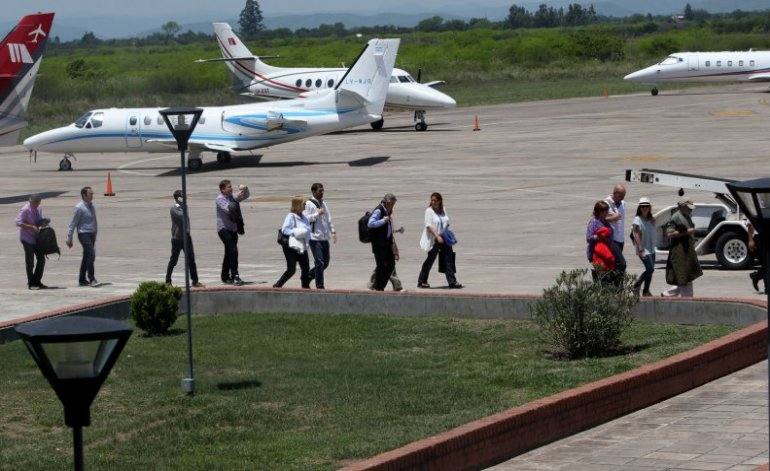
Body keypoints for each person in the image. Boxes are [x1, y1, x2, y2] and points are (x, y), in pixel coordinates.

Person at [418, 192, 462, 289]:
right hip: (434, 239)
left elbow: (446, 221)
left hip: (444, 237)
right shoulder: (429, 211)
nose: (433, 202)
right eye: (432, 200)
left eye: (435, 200)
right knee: (430, 259)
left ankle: (452, 282)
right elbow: (428, 226)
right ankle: (422, 281)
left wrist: (446, 233)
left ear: (439, 201)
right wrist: (437, 236)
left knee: (449, 258)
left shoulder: (443, 209)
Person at [662, 199, 703, 297]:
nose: (691, 210)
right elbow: (669, 233)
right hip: (679, 252)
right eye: (689, 208)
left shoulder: (686, 215)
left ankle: (667, 294)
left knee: (686, 276)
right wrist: (687, 232)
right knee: (684, 276)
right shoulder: (676, 217)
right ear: (683, 206)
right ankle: (687, 301)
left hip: (687, 251)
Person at [166, 190, 203, 288]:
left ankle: (195, 281)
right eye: (183, 196)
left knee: (191, 259)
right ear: (178, 198)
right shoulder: (174, 209)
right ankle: (167, 281)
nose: (185, 198)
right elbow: (181, 216)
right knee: (174, 260)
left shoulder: (184, 207)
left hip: (186, 237)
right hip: (177, 238)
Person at [216, 180, 249, 285]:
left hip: (233, 229)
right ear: (222, 189)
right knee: (233, 251)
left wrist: (245, 189)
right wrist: (236, 199)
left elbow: (245, 196)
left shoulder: (231, 197)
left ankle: (225, 276)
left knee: (229, 252)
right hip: (223, 229)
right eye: (228, 187)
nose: (231, 188)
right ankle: (235, 275)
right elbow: (229, 209)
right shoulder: (220, 199)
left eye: (231, 187)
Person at [274, 197, 311, 288]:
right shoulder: (291, 216)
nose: (305, 205)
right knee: (291, 270)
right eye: (303, 204)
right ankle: (278, 285)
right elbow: (285, 230)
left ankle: (305, 287)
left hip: (301, 246)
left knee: (306, 267)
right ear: (297, 205)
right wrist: (297, 232)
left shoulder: (304, 217)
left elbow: (307, 230)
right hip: (291, 247)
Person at [304, 183, 336, 289]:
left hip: (324, 238)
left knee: (325, 263)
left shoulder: (324, 204)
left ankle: (308, 276)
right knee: (320, 262)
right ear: (313, 191)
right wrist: (317, 214)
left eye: (323, 191)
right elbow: (305, 219)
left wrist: (333, 231)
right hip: (314, 238)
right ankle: (320, 285)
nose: (322, 193)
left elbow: (328, 218)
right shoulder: (308, 204)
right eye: (319, 191)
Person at [15, 194, 49, 289]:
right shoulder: (25, 209)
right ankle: (31, 283)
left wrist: (43, 222)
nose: (37, 205)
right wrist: (31, 227)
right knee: (30, 261)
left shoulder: (39, 208)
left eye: (38, 203)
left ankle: (37, 281)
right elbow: (18, 222)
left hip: (36, 238)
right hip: (26, 238)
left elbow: (38, 221)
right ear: (31, 202)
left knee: (41, 259)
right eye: (35, 203)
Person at [66, 186, 98, 287]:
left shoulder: (91, 206)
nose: (92, 195)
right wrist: (69, 237)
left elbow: (94, 220)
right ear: (84, 195)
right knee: (91, 254)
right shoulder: (79, 207)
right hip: (83, 234)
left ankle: (82, 279)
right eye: (90, 194)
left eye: (92, 194)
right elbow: (73, 223)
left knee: (86, 257)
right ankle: (92, 278)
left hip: (91, 233)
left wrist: (95, 232)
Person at [368, 193, 398, 291]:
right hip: (379, 244)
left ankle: (379, 286)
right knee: (381, 266)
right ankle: (378, 287)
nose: (393, 206)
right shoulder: (379, 210)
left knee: (391, 265)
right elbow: (370, 224)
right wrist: (383, 221)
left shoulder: (387, 211)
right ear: (387, 202)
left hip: (387, 243)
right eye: (392, 204)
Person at [368, 225, 405, 291]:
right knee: (389, 267)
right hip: (384, 247)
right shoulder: (382, 218)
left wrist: (398, 230)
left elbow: (389, 232)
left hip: (387, 246)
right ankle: (397, 286)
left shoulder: (386, 219)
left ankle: (373, 283)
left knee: (384, 267)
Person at [605, 184, 627, 273]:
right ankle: (617, 285)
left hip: (620, 239)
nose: (622, 198)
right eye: (621, 195)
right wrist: (611, 218)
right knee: (622, 264)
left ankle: (615, 285)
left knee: (616, 265)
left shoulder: (623, 204)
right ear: (615, 193)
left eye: (624, 196)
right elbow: (598, 218)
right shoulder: (606, 203)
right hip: (611, 239)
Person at [748, 222, 765, 293]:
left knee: (766, 266)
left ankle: (756, 276)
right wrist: (751, 240)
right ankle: (766, 288)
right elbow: (750, 225)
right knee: (766, 264)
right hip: (759, 238)